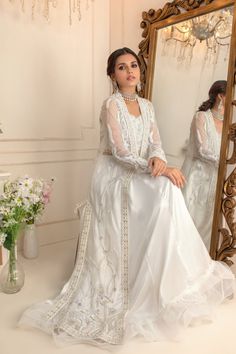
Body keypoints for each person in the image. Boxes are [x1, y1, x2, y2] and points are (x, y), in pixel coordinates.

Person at [19, 49, 235, 346]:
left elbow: (155, 143)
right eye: (122, 67)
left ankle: (167, 282)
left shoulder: (147, 105)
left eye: (134, 65)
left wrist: (159, 160)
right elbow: (120, 153)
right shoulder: (112, 104)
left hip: (140, 170)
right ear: (113, 75)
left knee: (168, 189)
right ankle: (142, 282)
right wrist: (155, 167)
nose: (130, 71)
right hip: (112, 174)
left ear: (140, 71)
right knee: (162, 190)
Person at [181, 81, 226, 250]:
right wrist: (223, 163)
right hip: (197, 177)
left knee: (211, 221)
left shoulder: (229, 123)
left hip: (217, 179)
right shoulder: (201, 116)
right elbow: (202, 149)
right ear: (221, 96)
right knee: (193, 218)